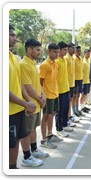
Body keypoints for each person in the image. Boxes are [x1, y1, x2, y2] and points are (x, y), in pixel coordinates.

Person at [9, 24, 37, 169]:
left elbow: (19, 83)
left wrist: (27, 101)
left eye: (14, 35)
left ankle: (13, 168)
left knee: (16, 141)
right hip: (8, 112)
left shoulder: (13, 57)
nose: (15, 38)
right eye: (11, 35)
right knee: (9, 144)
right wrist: (25, 103)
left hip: (18, 109)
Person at [19, 39, 49, 167]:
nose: (39, 52)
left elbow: (37, 83)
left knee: (33, 129)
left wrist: (43, 96)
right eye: (37, 49)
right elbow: (27, 86)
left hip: (37, 103)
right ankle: (26, 157)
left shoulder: (32, 63)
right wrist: (39, 98)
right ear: (29, 50)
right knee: (26, 131)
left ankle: (34, 150)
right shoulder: (24, 64)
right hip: (30, 104)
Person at [39, 43, 61, 149]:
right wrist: (42, 95)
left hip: (54, 93)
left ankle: (50, 134)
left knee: (52, 114)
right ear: (49, 52)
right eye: (54, 52)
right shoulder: (45, 64)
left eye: (58, 52)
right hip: (47, 95)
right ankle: (44, 140)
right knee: (46, 116)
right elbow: (39, 82)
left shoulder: (55, 64)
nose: (57, 54)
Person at [55, 41, 73, 138]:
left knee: (65, 108)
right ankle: (59, 128)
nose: (66, 52)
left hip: (66, 88)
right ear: (59, 50)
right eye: (64, 50)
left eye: (66, 50)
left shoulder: (64, 60)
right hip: (59, 90)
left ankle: (65, 124)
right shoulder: (57, 61)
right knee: (60, 111)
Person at [73, 45, 84, 116]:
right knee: (74, 96)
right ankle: (74, 111)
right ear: (75, 51)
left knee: (78, 95)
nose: (79, 52)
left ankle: (77, 109)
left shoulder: (81, 59)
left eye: (80, 51)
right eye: (78, 51)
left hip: (80, 79)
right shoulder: (73, 59)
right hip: (74, 80)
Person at [80, 49, 91, 113]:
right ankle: (81, 107)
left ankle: (83, 106)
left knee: (85, 94)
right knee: (83, 95)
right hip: (84, 81)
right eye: (87, 53)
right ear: (84, 54)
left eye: (89, 54)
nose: (88, 55)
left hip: (88, 81)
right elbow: (81, 72)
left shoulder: (88, 61)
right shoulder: (83, 62)